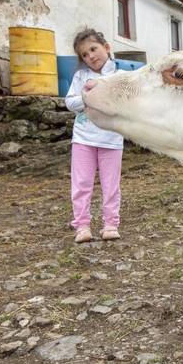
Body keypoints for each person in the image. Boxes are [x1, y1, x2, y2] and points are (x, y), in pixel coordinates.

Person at [64, 28, 124, 244]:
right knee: (81, 183)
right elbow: (70, 103)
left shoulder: (120, 77)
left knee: (111, 184)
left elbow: (125, 104)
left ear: (106, 47)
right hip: (83, 139)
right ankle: (81, 226)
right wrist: (87, 97)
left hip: (111, 140)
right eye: (85, 55)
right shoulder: (80, 77)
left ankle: (110, 224)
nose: (91, 56)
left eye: (93, 49)